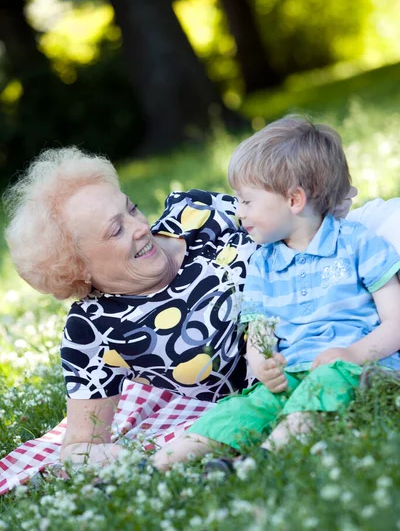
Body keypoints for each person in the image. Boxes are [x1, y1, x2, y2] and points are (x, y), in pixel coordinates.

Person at [152, 115, 400, 471]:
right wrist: (261, 363)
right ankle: (154, 467)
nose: (239, 213)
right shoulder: (264, 264)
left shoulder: (359, 244)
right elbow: (260, 332)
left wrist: (352, 353)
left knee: (322, 386)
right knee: (240, 407)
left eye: (247, 201)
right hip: (292, 375)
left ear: (294, 199)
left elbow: (395, 321)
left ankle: (260, 462)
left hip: (357, 371)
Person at [3, 146, 258, 467]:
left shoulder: (197, 213)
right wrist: (116, 461)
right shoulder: (95, 328)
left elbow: (290, 219)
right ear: (77, 265)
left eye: (132, 209)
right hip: (267, 394)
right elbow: (80, 446)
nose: (140, 227)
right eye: (116, 230)